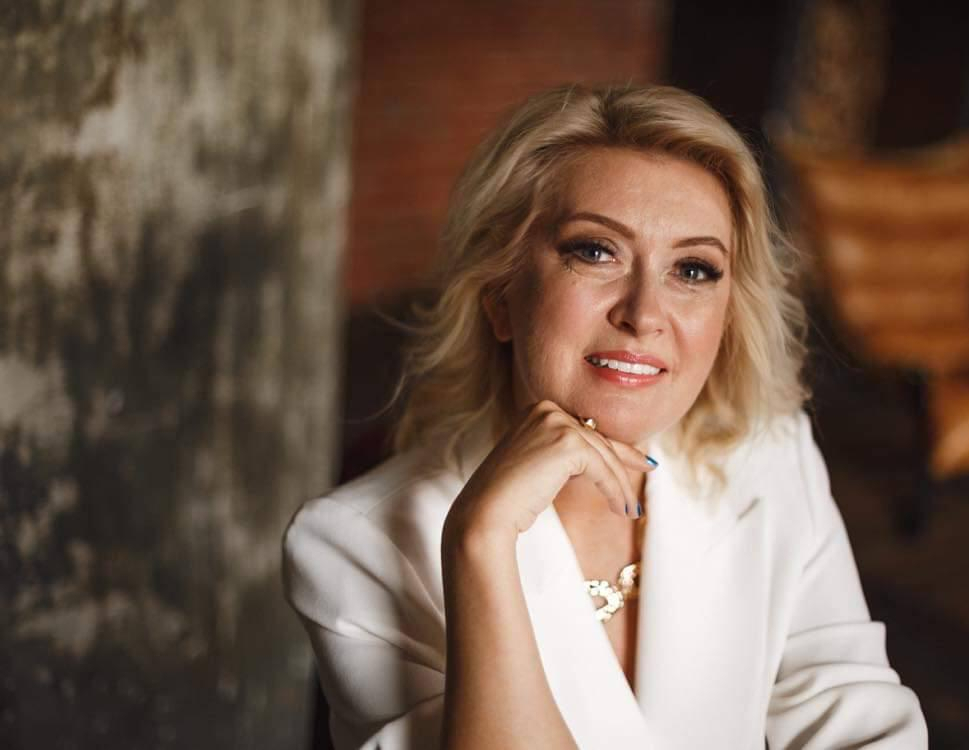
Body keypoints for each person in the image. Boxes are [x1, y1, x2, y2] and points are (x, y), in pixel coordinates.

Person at [282, 83, 927, 749]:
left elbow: (862, 724)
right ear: (500, 295)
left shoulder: (771, 454)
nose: (644, 314)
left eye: (693, 270)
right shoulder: (350, 545)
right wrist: (481, 542)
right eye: (595, 251)